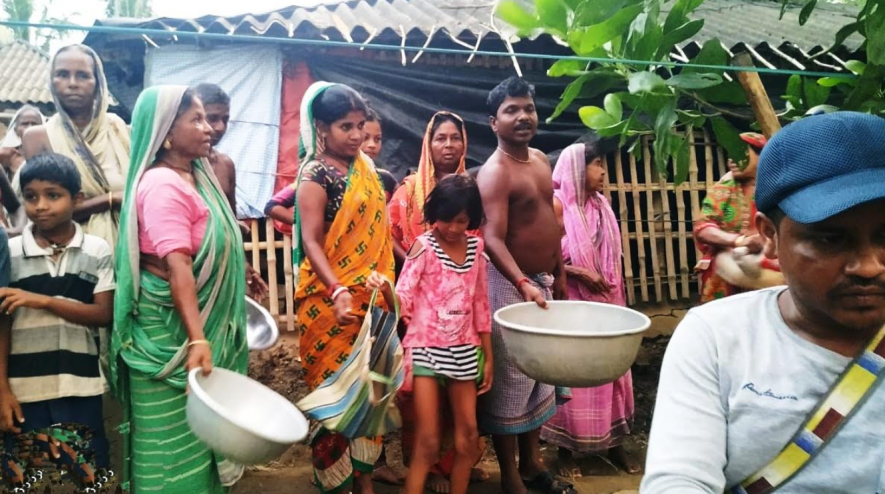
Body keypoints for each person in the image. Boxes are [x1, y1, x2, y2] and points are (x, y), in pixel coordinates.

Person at [642, 112, 885, 493]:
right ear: (769, 234)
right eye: (829, 239)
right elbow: (678, 480)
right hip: (732, 279)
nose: (869, 267)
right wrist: (734, 243)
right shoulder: (717, 338)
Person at [110, 86, 249, 493]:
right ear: (167, 134)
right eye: (198, 120)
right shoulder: (161, 185)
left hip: (188, 332)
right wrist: (198, 338)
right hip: (167, 339)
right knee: (169, 455)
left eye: (209, 118)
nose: (210, 128)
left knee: (202, 445)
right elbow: (178, 266)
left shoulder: (199, 176)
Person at [293, 81, 394, 494]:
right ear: (321, 127)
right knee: (335, 400)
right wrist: (337, 290)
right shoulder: (314, 174)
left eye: (360, 126)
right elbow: (312, 242)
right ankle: (335, 483)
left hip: (372, 300)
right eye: (345, 127)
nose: (355, 136)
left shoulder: (366, 172)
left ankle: (365, 483)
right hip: (327, 304)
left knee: (371, 398)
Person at [476, 76, 572, 494]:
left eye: (528, 108)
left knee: (539, 377)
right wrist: (522, 282)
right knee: (512, 383)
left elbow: (548, 222)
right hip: (507, 283)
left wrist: (559, 273)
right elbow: (493, 238)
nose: (522, 116)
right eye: (511, 110)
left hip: (542, 282)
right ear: (493, 122)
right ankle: (510, 475)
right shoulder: (494, 172)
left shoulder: (538, 159)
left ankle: (533, 463)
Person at [368, 174, 492, 494]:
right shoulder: (423, 246)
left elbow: (481, 305)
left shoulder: (477, 248)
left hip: (465, 348)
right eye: (445, 220)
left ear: (472, 219)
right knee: (428, 439)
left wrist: (488, 357)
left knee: (467, 437)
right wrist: (386, 291)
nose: (452, 228)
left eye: (461, 221)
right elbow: (404, 295)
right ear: (434, 214)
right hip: (425, 349)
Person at [0, 153, 114, 489]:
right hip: (25, 390)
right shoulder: (11, 251)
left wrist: (44, 301)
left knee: (86, 473)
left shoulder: (96, 250)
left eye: (53, 195)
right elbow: (1, 322)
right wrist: (2, 389)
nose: (40, 206)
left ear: (77, 199)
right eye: (31, 197)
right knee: (30, 478)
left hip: (80, 385)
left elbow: (103, 314)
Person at [541, 142, 639, 477]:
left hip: (606, 302)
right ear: (577, 169)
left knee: (610, 369)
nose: (602, 173)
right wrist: (579, 271)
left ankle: (615, 444)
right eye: (597, 165)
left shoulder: (603, 206)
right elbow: (544, 259)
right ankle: (566, 451)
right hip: (575, 303)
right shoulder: (557, 206)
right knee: (573, 373)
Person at [21, 44, 130, 253]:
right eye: (62, 74)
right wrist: (111, 199)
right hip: (67, 254)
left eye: (82, 75)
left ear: (98, 82)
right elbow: (45, 212)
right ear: (52, 81)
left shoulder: (119, 130)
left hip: (128, 249)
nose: (72, 83)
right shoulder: (38, 137)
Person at [194, 83, 267, 300]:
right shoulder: (174, 168)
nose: (219, 127)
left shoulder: (225, 165)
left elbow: (230, 223)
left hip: (221, 269)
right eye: (211, 118)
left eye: (225, 119)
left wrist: (243, 263)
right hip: (186, 270)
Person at [693, 133, 777, 303]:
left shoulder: (780, 185)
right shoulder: (724, 187)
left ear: (762, 156)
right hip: (726, 273)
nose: (732, 159)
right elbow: (703, 227)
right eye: (730, 154)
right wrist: (740, 241)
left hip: (773, 268)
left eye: (740, 154)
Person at [389, 111, 471, 263]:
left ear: (464, 144)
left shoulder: (472, 190)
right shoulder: (410, 189)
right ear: (428, 145)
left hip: (463, 276)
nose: (449, 145)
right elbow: (388, 234)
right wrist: (411, 261)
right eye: (440, 139)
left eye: (455, 138)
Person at [0, 105, 44, 177]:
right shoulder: (6, 153)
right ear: (15, 129)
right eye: (25, 124)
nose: (30, 127)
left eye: (34, 123)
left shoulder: (51, 150)